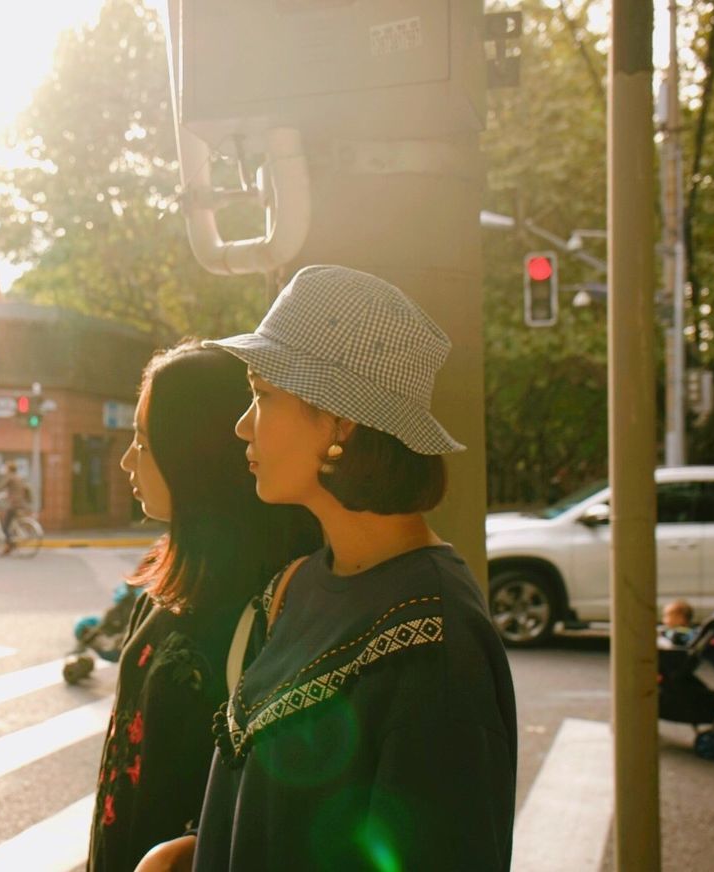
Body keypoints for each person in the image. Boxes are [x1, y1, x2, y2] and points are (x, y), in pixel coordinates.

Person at [139, 266, 517, 871]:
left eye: (262, 394)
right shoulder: (294, 587)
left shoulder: (436, 641)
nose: (242, 424)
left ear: (341, 421)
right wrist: (184, 857)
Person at [86, 340, 321, 872]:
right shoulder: (170, 575)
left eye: (145, 443)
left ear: (195, 454)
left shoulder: (277, 602)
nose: (128, 461)